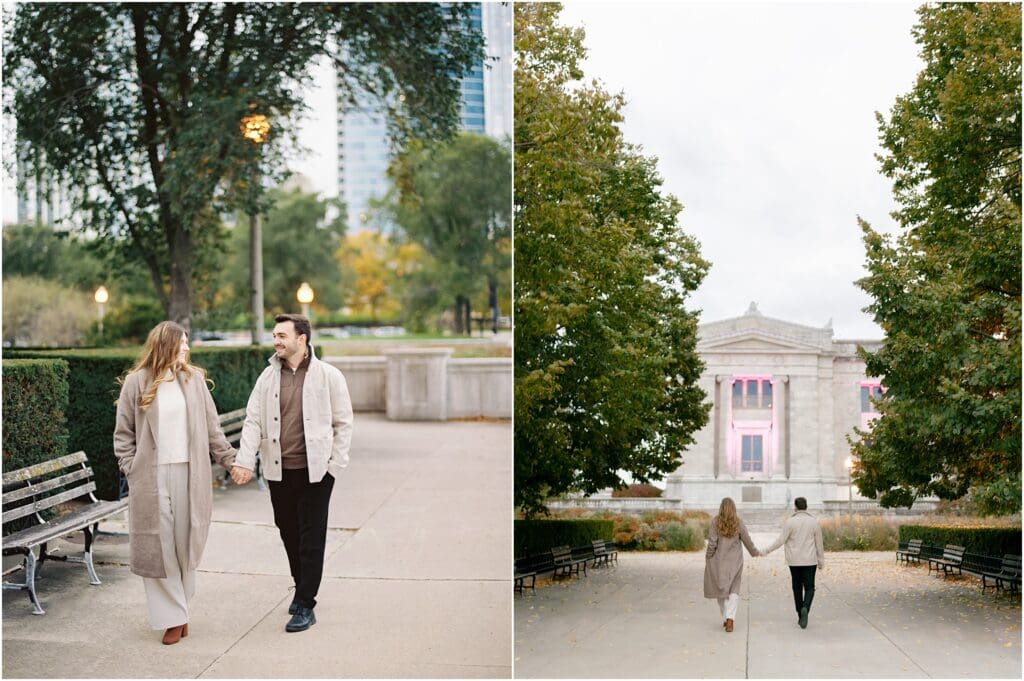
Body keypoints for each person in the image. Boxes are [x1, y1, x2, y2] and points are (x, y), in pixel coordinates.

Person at [114, 321, 237, 645]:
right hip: (151, 477)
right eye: (182, 343)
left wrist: (232, 462)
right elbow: (123, 434)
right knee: (159, 548)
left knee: (185, 544)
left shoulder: (193, 381)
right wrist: (132, 469)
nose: (187, 348)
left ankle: (179, 609)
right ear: (166, 344)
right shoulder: (136, 383)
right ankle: (173, 619)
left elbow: (213, 430)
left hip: (190, 473)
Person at [230, 313, 353, 633]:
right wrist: (244, 461)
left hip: (316, 473)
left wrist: (333, 468)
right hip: (278, 472)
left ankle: (305, 603)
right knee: (289, 533)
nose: (276, 341)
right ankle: (302, 589)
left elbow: (344, 424)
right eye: (274, 335)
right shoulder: (267, 378)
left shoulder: (329, 376)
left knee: (312, 538)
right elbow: (253, 421)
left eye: (282, 335)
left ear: (302, 339)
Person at [760, 496, 824, 629]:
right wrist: (821, 560)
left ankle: (800, 615)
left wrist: (767, 550)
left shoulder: (789, 522)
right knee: (810, 587)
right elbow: (819, 544)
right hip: (810, 561)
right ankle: (806, 607)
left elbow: (780, 540)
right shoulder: (814, 522)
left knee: (796, 588)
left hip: (794, 561)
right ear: (806, 507)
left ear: (795, 507)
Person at [704, 497, 760, 633]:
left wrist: (708, 557)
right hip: (735, 562)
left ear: (721, 507)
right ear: (734, 508)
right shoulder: (738, 523)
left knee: (721, 591)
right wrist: (755, 552)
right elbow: (747, 541)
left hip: (719, 561)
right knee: (734, 590)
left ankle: (727, 618)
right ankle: (729, 619)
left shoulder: (715, 522)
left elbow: (712, 543)